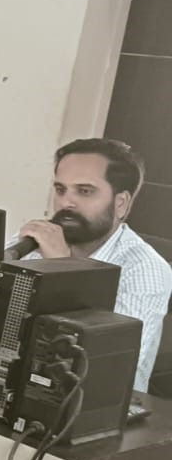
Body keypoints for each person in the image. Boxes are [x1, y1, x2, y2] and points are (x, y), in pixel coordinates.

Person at [16, 138, 172, 393]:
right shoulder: (32, 244)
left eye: (85, 191)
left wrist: (61, 266)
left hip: (93, 406)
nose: (66, 203)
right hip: (16, 390)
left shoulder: (145, 269)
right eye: (60, 190)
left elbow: (106, 367)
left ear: (121, 203)